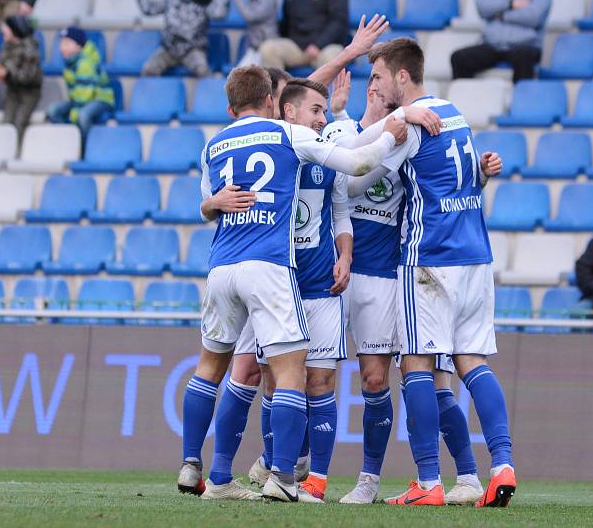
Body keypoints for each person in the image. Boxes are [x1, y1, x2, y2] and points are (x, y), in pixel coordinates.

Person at [178, 64, 406, 503]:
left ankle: (196, 467)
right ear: (271, 103)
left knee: (211, 368)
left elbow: (208, 206)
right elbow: (358, 161)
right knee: (287, 373)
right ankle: (283, 476)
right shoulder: (287, 136)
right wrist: (391, 135)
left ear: (230, 106)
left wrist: (211, 204)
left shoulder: (213, 143)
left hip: (222, 267)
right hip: (270, 268)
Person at [325, 76, 487, 506]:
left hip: (392, 272)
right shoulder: (344, 132)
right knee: (325, 375)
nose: (377, 91)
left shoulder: (415, 136)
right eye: (372, 85)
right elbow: (348, 180)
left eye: (383, 85)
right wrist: (381, 119)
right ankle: (300, 470)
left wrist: (481, 175)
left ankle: (461, 475)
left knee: (423, 378)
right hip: (339, 270)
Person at [366, 38, 512, 508]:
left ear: (402, 77)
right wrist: (485, 172)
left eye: (379, 77)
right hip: (476, 256)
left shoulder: (409, 124)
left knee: (415, 366)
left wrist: (396, 120)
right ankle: (502, 465)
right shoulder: (454, 114)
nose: (376, 85)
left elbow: (356, 165)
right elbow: (465, 177)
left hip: (429, 257)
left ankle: (428, 481)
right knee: (473, 361)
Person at [450, 0, 551, 82]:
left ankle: (522, 101)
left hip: (526, 45)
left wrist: (502, 15)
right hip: (492, 45)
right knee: (459, 58)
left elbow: (533, 16)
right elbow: (482, 7)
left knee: (523, 56)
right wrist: (510, 4)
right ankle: (466, 100)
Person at [136, 0, 229, 77]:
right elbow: (149, 9)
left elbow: (219, 14)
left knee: (203, 70)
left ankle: (208, 95)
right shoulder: (172, 0)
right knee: (148, 69)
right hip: (168, 49)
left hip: (193, 50)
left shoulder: (205, 0)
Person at [46, 27, 114, 140]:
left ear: (78, 45)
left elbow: (85, 95)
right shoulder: (69, 63)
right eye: (61, 44)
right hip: (79, 100)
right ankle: (69, 140)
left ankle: (85, 147)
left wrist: (74, 113)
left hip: (100, 99)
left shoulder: (85, 63)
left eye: (67, 44)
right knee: (53, 110)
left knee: (83, 115)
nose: (62, 48)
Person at [260, 0, 348, 72]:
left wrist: (318, 45)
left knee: (331, 57)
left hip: (326, 46)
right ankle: (279, 89)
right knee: (268, 49)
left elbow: (339, 22)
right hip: (298, 46)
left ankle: (325, 91)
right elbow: (287, 22)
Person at [0, 15, 42, 139]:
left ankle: (17, 152)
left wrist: (7, 73)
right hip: (12, 91)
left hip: (29, 92)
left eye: (6, 28)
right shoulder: (7, 46)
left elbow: (27, 77)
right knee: (6, 122)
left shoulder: (30, 50)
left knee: (20, 122)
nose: (3, 31)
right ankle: (5, 149)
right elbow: (4, 65)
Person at [231, 0, 281, 67]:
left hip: (266, 48)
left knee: (250, 75)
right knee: (240, 74)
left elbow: (250, 16)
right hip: (256, 48)